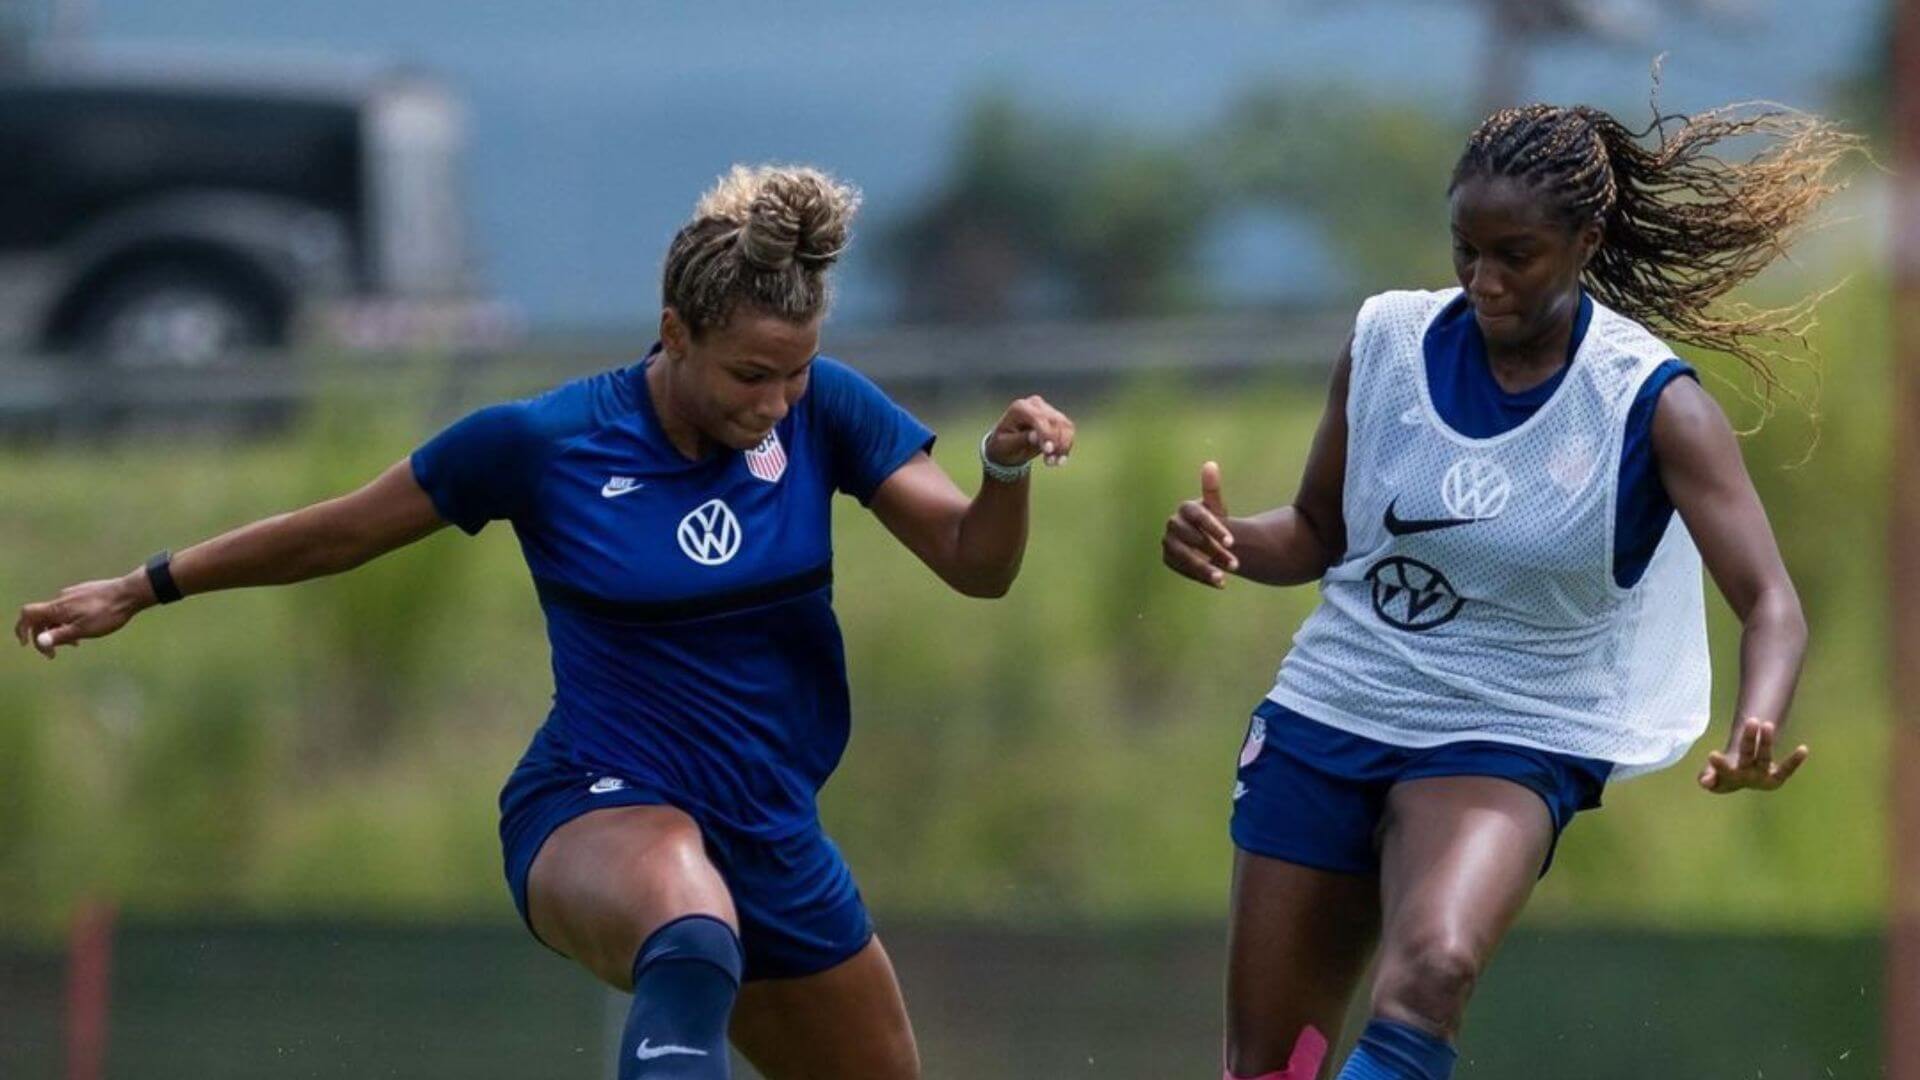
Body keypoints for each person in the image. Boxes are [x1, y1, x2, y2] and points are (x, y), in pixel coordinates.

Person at [16, 164, 1076, 1080]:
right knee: (689, 924)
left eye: (795, 371)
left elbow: (973, 565)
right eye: (752, 374)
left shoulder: (827, 410)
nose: (777, 401)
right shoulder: (542, 442)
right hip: (597, 802)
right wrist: (144, 585)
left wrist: (1002, 470)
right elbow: (333, 533)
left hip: (769, 822)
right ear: (675, 333)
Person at [1161, 102, 1859, 1080]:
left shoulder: (1651, 404)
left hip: (1512, 731)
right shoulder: (1388, 343)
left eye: (1515, 256)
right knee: (1272, 1065)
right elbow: (1318, 533)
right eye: (1466, 250)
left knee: (1435, 973)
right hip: (1333, 709)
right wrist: (1229, 542)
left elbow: (1772, 602)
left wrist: (1758, 719)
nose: (1484, 281)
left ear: (1587, 241)